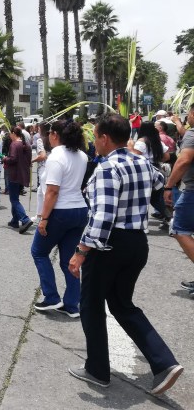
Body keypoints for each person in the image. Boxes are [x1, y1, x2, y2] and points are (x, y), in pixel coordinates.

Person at [68, 114, 183, 395]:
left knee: (91, 306)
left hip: (109, 245)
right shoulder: (141, 162)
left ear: (105, 138)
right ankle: (163, 362)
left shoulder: (108, 169)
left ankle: (97, 369)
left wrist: (81, 251)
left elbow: (103, 216)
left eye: (95, 137)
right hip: (136, 243)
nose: (94, 143)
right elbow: (159, 180)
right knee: (122, 303)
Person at [30, 120, 88, 318]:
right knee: (68, 260)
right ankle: (72, 304)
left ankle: (52, 296)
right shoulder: (81, 155)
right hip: (79, 209)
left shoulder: (56, 156)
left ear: (54, 134)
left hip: (60, 211)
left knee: (38, 251)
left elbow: (52, 191)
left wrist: (44, 219)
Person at [164, 104, 194, 297]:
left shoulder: (192, 135)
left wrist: (169, 186)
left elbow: (183, 160)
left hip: (192, 192)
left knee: (179, 229)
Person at [128, 122, 171, 226]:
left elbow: (134, 157)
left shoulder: (141, 142)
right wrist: (155, 158)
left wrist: (130, 147)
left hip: (145, 171)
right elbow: (167, 157)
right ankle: (169, 217)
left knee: (144, 197)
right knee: (156, 197)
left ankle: (169, 217)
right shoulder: (157, 141)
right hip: (158, 169)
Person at [2, 127, 33, 234]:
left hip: (14, 174)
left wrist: (5, 158)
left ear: (14, 133)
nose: (9, 136)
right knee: (15, 198)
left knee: (14, 199)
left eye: (10, 134)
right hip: (23, 174)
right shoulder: (26, 145)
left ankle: (25, 219)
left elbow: (13, 158)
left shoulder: (14, 144)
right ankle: (15, 220)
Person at [31, 123, 51, 223]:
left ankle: (45, 217)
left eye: (38, 128)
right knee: (40, 192)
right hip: (51, 167)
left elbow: (42, 156)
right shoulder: (52, 139)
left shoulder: (40, 140)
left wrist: (32, 161)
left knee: (44, 193)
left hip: (44, 168)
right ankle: (39, 215)